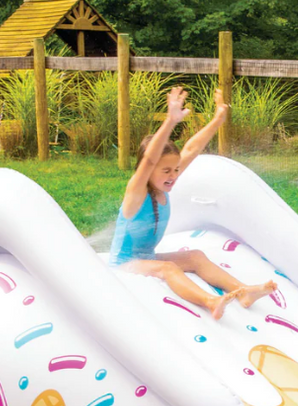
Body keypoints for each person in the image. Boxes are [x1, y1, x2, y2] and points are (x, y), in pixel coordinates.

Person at [109, 86, 276, 319]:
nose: (173, 175)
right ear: (147, 171)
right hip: (124, 264)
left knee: (195, 256)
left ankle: (243, 291)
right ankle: (210, 301)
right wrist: (169, 122)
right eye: (166, 170)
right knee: (168, 268)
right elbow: (148, 161)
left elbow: (192, 148)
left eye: (176, 169)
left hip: (146, 257)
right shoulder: (136, 195)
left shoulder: (164, 183)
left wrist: (218, 120)